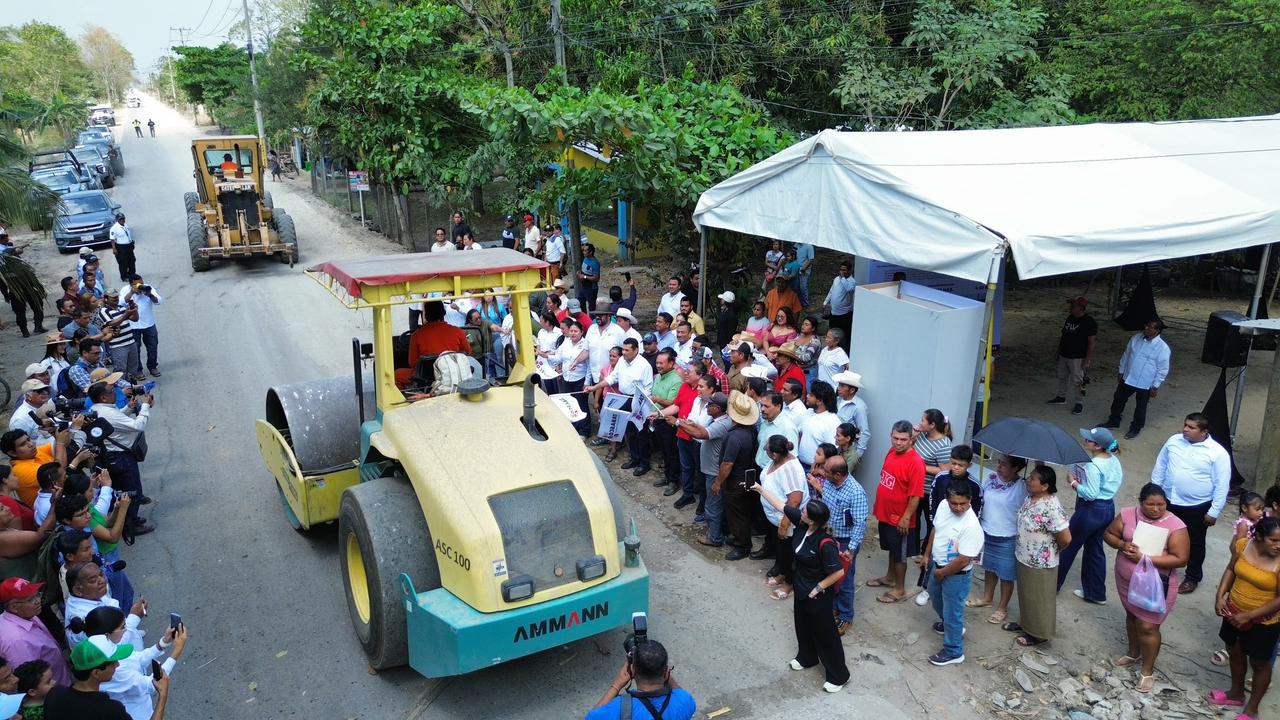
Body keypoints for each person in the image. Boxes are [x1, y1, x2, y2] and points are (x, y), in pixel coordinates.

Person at [751, 485, 849, 692]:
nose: (801, 512)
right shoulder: (803, 524)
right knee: (802, 625)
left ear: (812, 519)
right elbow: (781, 505)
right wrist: (760, 489)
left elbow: (838, 572)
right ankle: (807, 657)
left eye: (804, 511)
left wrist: (818, 588)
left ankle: (839, 675)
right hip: (801, 587)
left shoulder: (825, 542)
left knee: (825, 633)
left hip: (817, 594)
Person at [1104, 483, 1189, 693]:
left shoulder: (1176, 525)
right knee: (1132, 616)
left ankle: (1147, 671)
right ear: (1140, 502)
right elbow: (1109, 534)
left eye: (1161, 504)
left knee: (1148, 626)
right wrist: (1123, 545)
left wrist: (1145, 557)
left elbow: (1181, 558)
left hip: (1156, 585)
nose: (1156, 509)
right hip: (1127, 580)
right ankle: (1134, 653)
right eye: (1150, 504)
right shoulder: (1127, 514)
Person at [1208, 515, 1280, 718]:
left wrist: (1249, 616)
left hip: (1263, 621)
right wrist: (1220, 596)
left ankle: (1252, 708)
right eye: (1273, 540)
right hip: (1232, 611)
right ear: (1258, 537)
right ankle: (1236, 693)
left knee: (1259, 663)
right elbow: (1231, 569)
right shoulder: (1243, 545)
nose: (1278, 545)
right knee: (1235, 651)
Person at [1152, 412, 1230, 594]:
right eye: (1185, 425)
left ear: (1204, 432)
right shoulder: (1173, 441)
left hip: (1197, 505)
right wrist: (1155, 492)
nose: (1185, 429)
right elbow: (1161, 465)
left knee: (1195, 542)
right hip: (1169, 499)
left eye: (1191, 427)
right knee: (1161, 535)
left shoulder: (1217, 453)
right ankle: (1160, 567)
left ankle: (1192, 577)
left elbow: (1222, 483)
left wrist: (1214, 511)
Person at [82, 606, 188, 720]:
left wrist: (163, 642)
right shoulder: (116, 671)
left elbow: (137, 658)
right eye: (123, 627)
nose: (126, 629)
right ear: (107, 635)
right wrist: (177, 651)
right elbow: (154, 683)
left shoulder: (104, 649)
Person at [1057, 426, 1124, 605]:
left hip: (1090, 510)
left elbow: (1091, 493)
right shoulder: (1113, 460)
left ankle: (1051, 586)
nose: (1085, 441)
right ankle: (1095, 593)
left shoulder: (1094, 466)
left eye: (1089, 440)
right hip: (1107, 508)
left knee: (1067, 546)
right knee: (1095, 549)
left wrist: (1073, 482)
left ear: (1097, 446)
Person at [1007, 465, 1072, 647]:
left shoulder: (1051, 507)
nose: (1029, 479)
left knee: (1040, 597)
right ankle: (1026, 624)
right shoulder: (1031, 498)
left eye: (1033, 478)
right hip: (1024, 555)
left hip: (1041, 561)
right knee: (1027, 593)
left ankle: (1039, 634)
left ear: (1044, 486)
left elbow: (1066, 538)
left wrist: (1053, 549)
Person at [920, 481, 984, 666]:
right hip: (938, 565)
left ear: (970, 500)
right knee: (935, 597)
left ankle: (954, 650)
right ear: (947, 500)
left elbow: (964, 560)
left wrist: (942, 573)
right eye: (954, 503)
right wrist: (926, 555)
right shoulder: (942, 506)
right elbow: (936, 529)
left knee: (953, 612)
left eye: (962, 504)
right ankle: (948, 624)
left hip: (956, 575)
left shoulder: (972, 526)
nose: (958, 507)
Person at [45, 634, 170, 720]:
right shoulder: (109, 710)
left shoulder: (54, 695)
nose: (118, 664)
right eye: (113, 662)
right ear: (96, 673)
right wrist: (162, 695)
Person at [808, 454, 867, 635]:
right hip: (830, 537)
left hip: (846, 541)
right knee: (831, 574)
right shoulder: (831, 483)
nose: (822, 473)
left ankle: (845, 617)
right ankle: (834, 606)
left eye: (826, 471)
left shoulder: (856, 492)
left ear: (838, 474)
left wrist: (850, 549)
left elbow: (860, 523)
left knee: (845, 580)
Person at [867, 420, 925, 604]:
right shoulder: (892, 452)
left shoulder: (916, 463)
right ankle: (889, 578)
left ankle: (899, 589)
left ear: (911, 440)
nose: (898, 442)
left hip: (900, 518)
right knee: (892, 548)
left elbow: (915, 496)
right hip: (886, 513)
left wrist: (906, 518)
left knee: (900, 554)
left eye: (903, 439)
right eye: (895, 438)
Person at [971, 454, 1027, 624]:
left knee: (1006, 574)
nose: (999, 466)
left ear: (1016, 468)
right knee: (989, 567)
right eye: (999, 463)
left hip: (1007, 535)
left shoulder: (1022, 486)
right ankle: (987, 598)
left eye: (1004, 464)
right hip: (987, 531)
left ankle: (1003, 607)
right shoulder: (990, 479)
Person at [585, 639, 695, 719]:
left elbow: (591, 717)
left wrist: (617, 684)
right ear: (666, 673)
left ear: (633, 671)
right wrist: (664, 670)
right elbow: (679, 691)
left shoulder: (621, 708)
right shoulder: (685, 701)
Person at [757, 435, 809, 599]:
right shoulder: (777, 461)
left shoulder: (790, 469)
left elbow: (794, 500)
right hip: (775, 518)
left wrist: (784, 525)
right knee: (782, 551)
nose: (765, 450)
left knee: (790, 554)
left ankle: (790, 583)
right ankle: (782, 574)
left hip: (787, 520)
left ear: (775, 454)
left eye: (767, 449)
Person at [1103, 318, 1170, 440]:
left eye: (1150, 327)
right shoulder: (1136, 338)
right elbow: (1126, 355)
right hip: (1128, 376)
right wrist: (1121, 371)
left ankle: (1135, 428)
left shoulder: (1163, 348)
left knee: (1141, 406)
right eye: (1146, 325)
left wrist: (1155, 385)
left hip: (1145, 382)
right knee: (1118, 399)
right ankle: (1114, 420)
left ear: (1158, 331)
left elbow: (1163, 369)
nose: (1146, 328)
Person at [912, 409, 953, 606]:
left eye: (923, 420)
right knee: (913, 520)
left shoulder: (943, 444)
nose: (920, 422)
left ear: (932, 425)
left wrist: (919, 466)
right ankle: (918, 551)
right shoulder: (921, 436)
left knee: (930, 523)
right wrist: (914, 434)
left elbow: (944, 470)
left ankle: (926, 554)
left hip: (930, 490)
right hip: (915, 487)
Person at [715, 392, 760, 561]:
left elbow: (727, 464)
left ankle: (743, 545)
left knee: (737, 514)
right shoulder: (751, 431)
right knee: (742, 512)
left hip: (735, 481)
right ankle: (739, 537)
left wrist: (718, 482)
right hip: (746, 477)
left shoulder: (734, 436)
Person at [0, 579, 70, 686]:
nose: (38, 600)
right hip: (52, 690)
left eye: (37, 595)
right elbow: (32, 682)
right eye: (31, 599)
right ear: (14, 607)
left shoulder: (26, 614)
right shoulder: (17, 642)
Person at [681, 392, 731, 540]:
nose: (707, 407)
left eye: (710, 405)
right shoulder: (718, 420)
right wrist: (693, 424)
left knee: (713, 505)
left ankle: (714, 537)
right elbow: (700, 429)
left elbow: (700, 434)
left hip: (714, 472)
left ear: (718, 409)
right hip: (710, 469)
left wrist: (678, 423)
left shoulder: (722, 424)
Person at [1048, 297, 1097, 415]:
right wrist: (1058, 351)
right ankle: (1061, 396)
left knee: (1078, 381)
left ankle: (1079, 402)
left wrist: (1087, 359)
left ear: (1081, 308)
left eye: (1073, 306)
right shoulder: (1070, 318)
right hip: (1064, 354)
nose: (1070, 308)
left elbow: (1092, 342)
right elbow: (1064, 336)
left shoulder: (1088, 321)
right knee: (1062, 376)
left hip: (1077, 357)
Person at [405, 301, 472, 381]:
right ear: (443, 313)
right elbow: (467, 352)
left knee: (397, 374)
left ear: (426, 315)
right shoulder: (458, 331)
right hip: (453, 373)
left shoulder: (416, 335)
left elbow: (412, 363)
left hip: (426, 377)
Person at [648, 350, 683, 493]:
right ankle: (667, 476)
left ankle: (674, 480)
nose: (658, 365)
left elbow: (673, 403)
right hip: (656, 418)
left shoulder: (676, 380)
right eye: (657, 362)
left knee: (671, 452)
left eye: (661, 363)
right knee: (663, 450)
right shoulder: (658, 377)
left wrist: (657, 400)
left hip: (668, 421)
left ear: (671, 363)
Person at [552, 320, 591, 438]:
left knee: (581, 405)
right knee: (568, 404)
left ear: (581, 332)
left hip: (580, 378)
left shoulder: (585, 345)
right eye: (571, 331)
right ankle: (572, 428)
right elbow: (559, 358)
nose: (573, 333)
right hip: (566, 378)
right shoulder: (566, 342)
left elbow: (589, 365)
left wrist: (587, 382)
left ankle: (584, 431)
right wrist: (547, 356)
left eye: (576, 331)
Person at [96, 291, 142, 382]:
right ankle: (122, 389)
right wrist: (126, 314)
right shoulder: (103, 311)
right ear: (106, 299)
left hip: (131, 342)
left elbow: (135, 319)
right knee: (121, 370)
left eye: (117, 297)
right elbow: (112, 323)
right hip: (118, 346)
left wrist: (134, 311)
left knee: (133, 368)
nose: (116, 299)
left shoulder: (121, 308)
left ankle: (133, 387)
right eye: (113, 297)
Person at [796, 381, 839, 473]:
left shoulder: (832, 421)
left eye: (811, 395)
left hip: (816, 470)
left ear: (820, 401)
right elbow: (799, 433)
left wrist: (820, 469)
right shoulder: (808, 412)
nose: (807, 396)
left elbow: (832, 451)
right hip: (799, 464)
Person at [822, 260, 856, 351]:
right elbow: (831, 291)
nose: (841, 272)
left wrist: (842, 278)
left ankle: (845, 352)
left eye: (844, 270)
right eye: (841, 269)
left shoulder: (852, 281)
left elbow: (849, 289)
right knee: (833, 333)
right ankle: (832, 350)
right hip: (833, 313)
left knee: (844, 335)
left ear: (850, 271)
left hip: (844, 314)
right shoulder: (836, 279)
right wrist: (825, 302)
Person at [107, 215, 135, 283]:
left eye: (123, 218)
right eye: (120, 219)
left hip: (129, 245)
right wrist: (114, 249)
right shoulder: (114, 228)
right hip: (121, 247)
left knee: (132, 260)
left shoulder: (125, 225)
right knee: (123, 263)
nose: (122, 220)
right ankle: (124, 276)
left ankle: (132, 275)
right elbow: (112, 239)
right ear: (117, 220)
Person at [577, 244, 601, 311]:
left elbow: (596, 278)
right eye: (583, 250)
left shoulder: (595, 263)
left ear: (590, 252)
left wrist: (584, 277)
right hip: (584, 287)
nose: (583, 252)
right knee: (581, 303)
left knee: (592, 308)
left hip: (591, 289)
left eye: (585, 250)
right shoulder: (585, 258)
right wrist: (579, 273)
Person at [792, 242, 815, 307]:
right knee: (796, 286)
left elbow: (811, 260)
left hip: (805, 270)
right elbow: (793, 253)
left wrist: (803, 269)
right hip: (797, 268)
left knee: (803, 287)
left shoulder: (809, 246)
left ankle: (806, 304)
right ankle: (798, 302)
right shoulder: (797, 244)